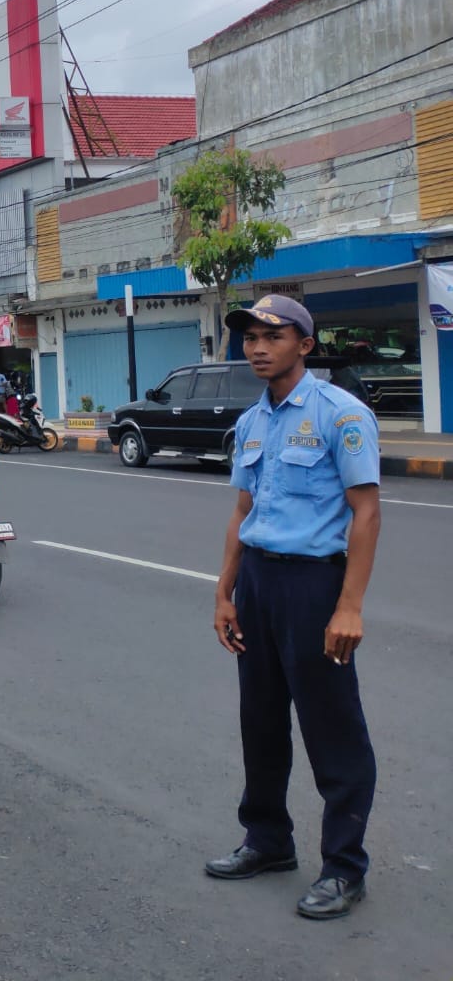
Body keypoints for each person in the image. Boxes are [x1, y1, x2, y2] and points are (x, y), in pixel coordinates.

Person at [206, 294, 380, 921]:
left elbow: (366, 511)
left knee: (333, 729)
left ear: (304, 345)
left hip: (313, 586)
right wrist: (225, 592)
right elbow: (243, 510)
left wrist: (349, 607)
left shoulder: (341, 414)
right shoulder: (253, 421)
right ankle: (268, 840)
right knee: (260, 720)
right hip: (258, 583)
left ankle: (344, 867)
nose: (257, 347)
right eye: (250, 337)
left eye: (272, 336)